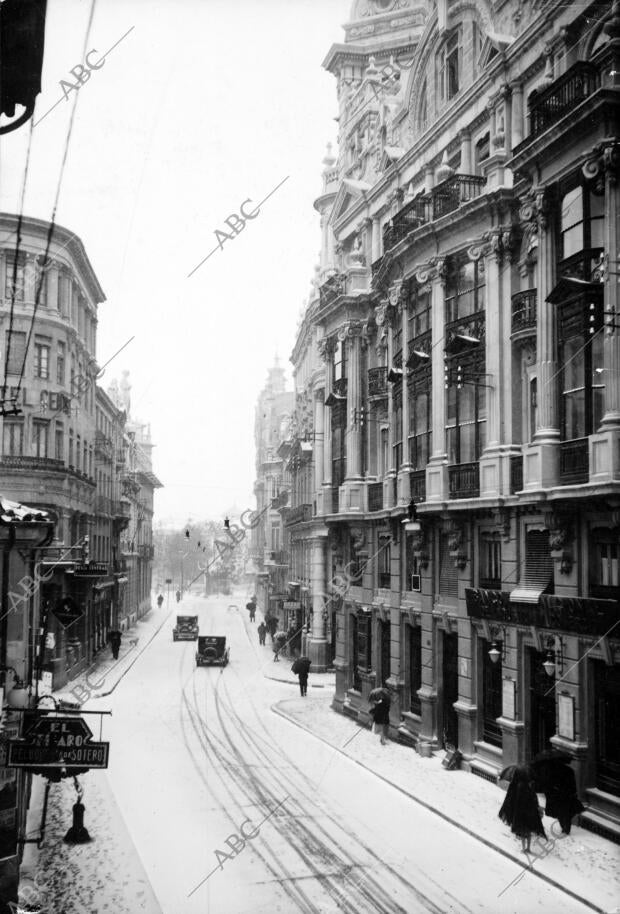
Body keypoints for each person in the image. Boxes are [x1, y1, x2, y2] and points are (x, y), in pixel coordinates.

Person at [499, 765, 546, 853]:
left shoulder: (517, 786)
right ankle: (527, 848)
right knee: (528, 831)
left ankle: (524, 848)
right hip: (529, 812)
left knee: (523, 832)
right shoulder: (529, 786)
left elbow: (514, 799)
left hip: (520, 813)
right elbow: (533, 798)